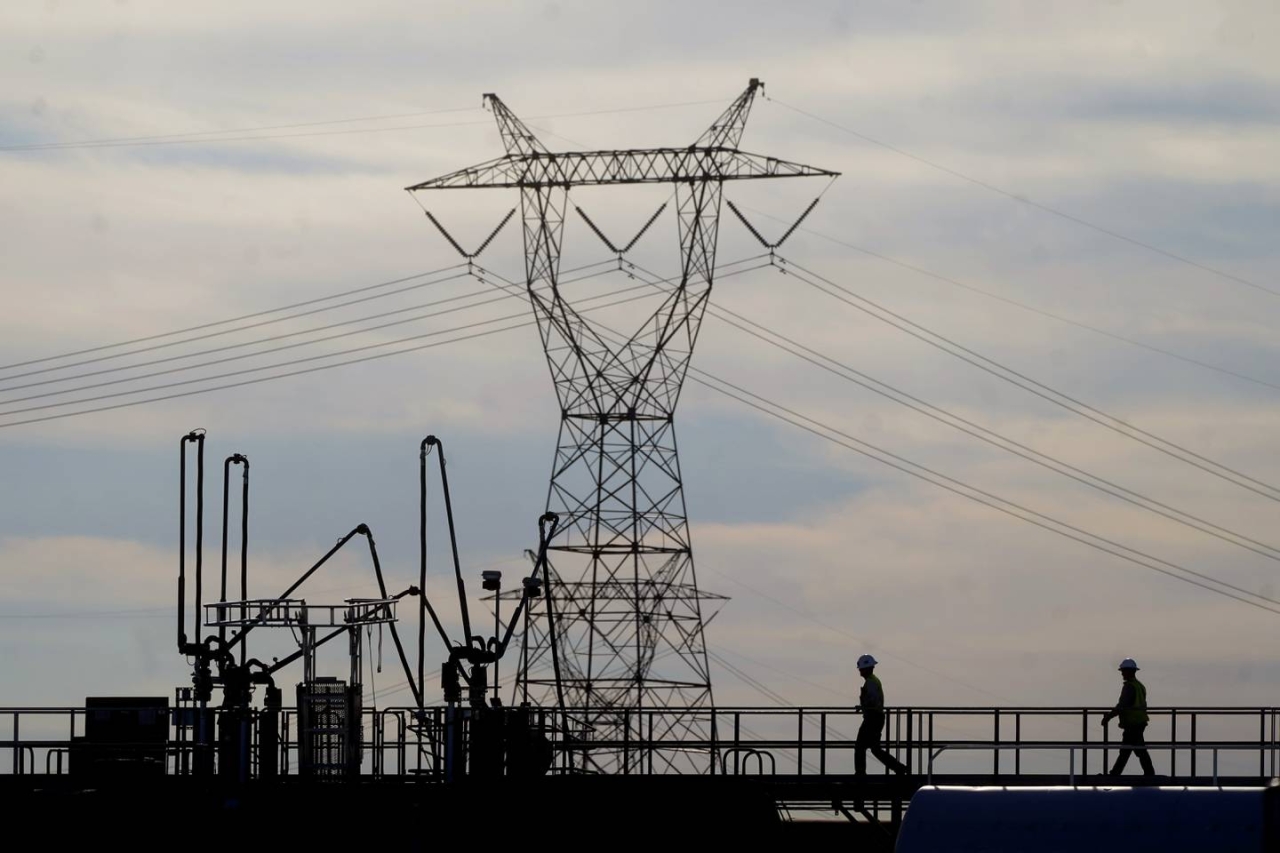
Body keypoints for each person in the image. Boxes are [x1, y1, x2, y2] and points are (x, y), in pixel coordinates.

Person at [854, 654, 908, 776]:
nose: (859, 671)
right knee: (875, 749)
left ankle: (860, 773)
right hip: (876, 718)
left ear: (866, 668)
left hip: (872, 718)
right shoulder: (873, 680)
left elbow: (872, 701)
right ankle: (899, 768)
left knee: (860, 747)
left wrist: (863, 706)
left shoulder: (871, 682)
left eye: (861, 668)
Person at [1101, 657, 1155, 778]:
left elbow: (1122, 705)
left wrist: (1108, 717)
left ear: (1130, 671)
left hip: (1133, 724)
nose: (1122, 674)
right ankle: (1117, 773)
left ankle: (1117, 774)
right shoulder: (1140, 686)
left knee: (1133, 750)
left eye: (1123, 671)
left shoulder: (1129, 687)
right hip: (1139, 722)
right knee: (1131, 749)